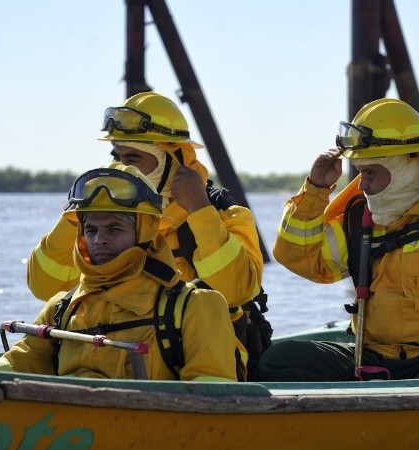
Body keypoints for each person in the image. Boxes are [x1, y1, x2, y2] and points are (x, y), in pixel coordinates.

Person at [256, 98, 419, 382]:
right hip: (372, 356)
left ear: (407, 171)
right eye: (361, 172)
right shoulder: (359, 221)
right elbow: (300, 259)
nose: (362, 185)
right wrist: (316, 189)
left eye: (370, 173)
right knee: (278, 360)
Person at [26, 92, 264, 353]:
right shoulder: (106, 219)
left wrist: (199, 210)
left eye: (133, 159)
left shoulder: (227, 217)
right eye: (118, 156)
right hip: (118, 349)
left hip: (197, 354)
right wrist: (75, 216)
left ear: (175, 160)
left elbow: (235, 293)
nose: (122, 168)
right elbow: (44, 287)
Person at [0, 164, 240, 381]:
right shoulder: (61, 308)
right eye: (91, 230)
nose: (99, 240)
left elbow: (213, 396)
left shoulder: (196, 306)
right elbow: (18, 363)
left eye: (114, 229)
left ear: (145, 232)